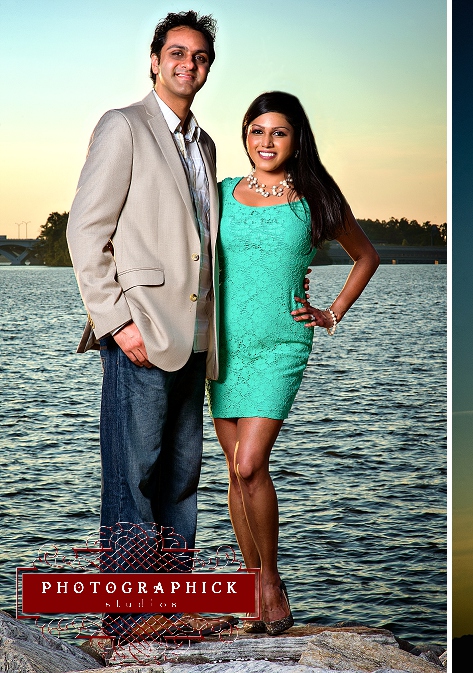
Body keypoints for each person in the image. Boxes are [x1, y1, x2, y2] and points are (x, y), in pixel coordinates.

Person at [67, 10, 235, 641]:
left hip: (194, 336)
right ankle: (130, 615)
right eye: (176, 53)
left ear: (207, 69)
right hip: (140, 334)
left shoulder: (206, 144)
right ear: (155, 58)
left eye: (198, 57)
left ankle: (170, 607)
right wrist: (116, 323)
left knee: (182, 477)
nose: (186, 65)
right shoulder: (125, 126)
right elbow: (86, 232)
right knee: (133, 475)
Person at [206, 91, 380, 636]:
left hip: (281, 344)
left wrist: (332, 312)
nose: (265, 142)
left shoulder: (314, 198)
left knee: (251, 463)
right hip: (221, 344)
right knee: (236, 471)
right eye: (256, 130)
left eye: (278, 133)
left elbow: (366, 255)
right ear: (245, 135)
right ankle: (248, 580)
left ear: (296, 139)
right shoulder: (221, 193)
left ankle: (271, 580)